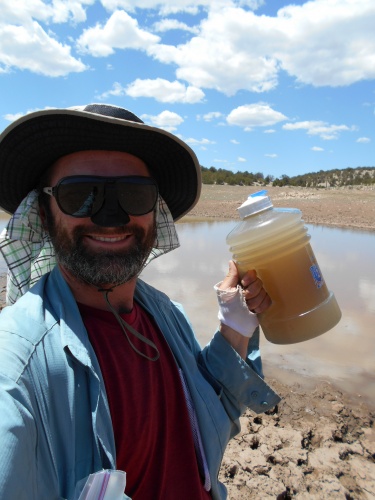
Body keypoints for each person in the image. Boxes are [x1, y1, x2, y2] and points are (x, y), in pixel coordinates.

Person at [0, 104, 280, 500]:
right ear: (44, 215)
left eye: (134, 193)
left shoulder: (166, 314)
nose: (111, 217)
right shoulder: (17, 364)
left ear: (155, 211)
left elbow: (206, 422)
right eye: (80, 195)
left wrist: (235, 329)